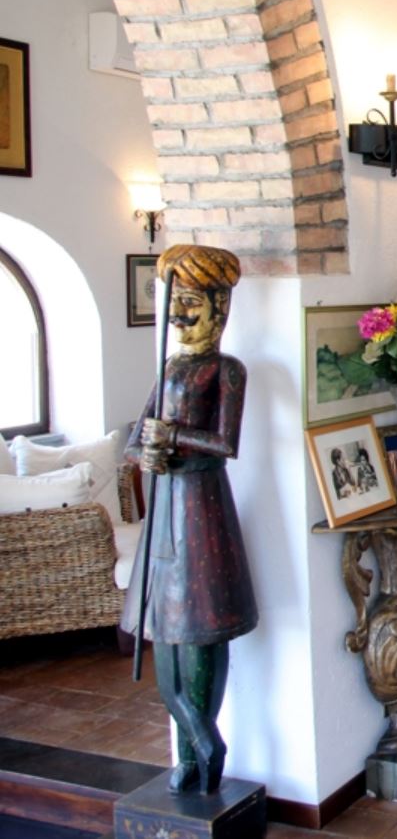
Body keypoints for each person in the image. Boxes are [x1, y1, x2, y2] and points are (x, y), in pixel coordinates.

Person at [121, 244, 255, 794]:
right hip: (166, 504)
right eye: (174, 303)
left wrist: (171, 435)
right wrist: (147, 451)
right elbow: (136, 437)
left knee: (202, 626)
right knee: (165, 629)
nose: (178, 315)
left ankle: (202, 741)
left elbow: (225, 442)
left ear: (219, 309)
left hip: (203, 505)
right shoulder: (171, 367)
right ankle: (191, 746)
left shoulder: (226, 370)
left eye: (191, 303)